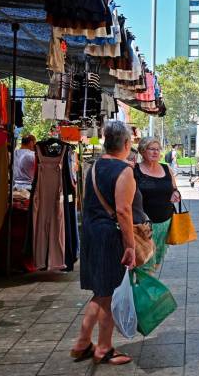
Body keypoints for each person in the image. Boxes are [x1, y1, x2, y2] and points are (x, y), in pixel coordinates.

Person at [74, 121, 142, 366]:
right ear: (126, 144)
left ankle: (82, 342)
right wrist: (130, 247)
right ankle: (103, 348)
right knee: (110, 294)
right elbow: (124, 211)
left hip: (91, 234)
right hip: (108, 238)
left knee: (100, 293)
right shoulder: (124, 172)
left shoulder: (94, 167)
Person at [135, 138, 181, 271]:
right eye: (151, 149)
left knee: (156, 261)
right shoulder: (134, 170)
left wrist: (176, 193)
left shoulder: (166, 169)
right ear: (142, 151)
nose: (156, 152)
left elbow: (174, 188)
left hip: (164, 223)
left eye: (157, 149)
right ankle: (142, 288)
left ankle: (147, 287)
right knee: (143, 263)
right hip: (143, 226)